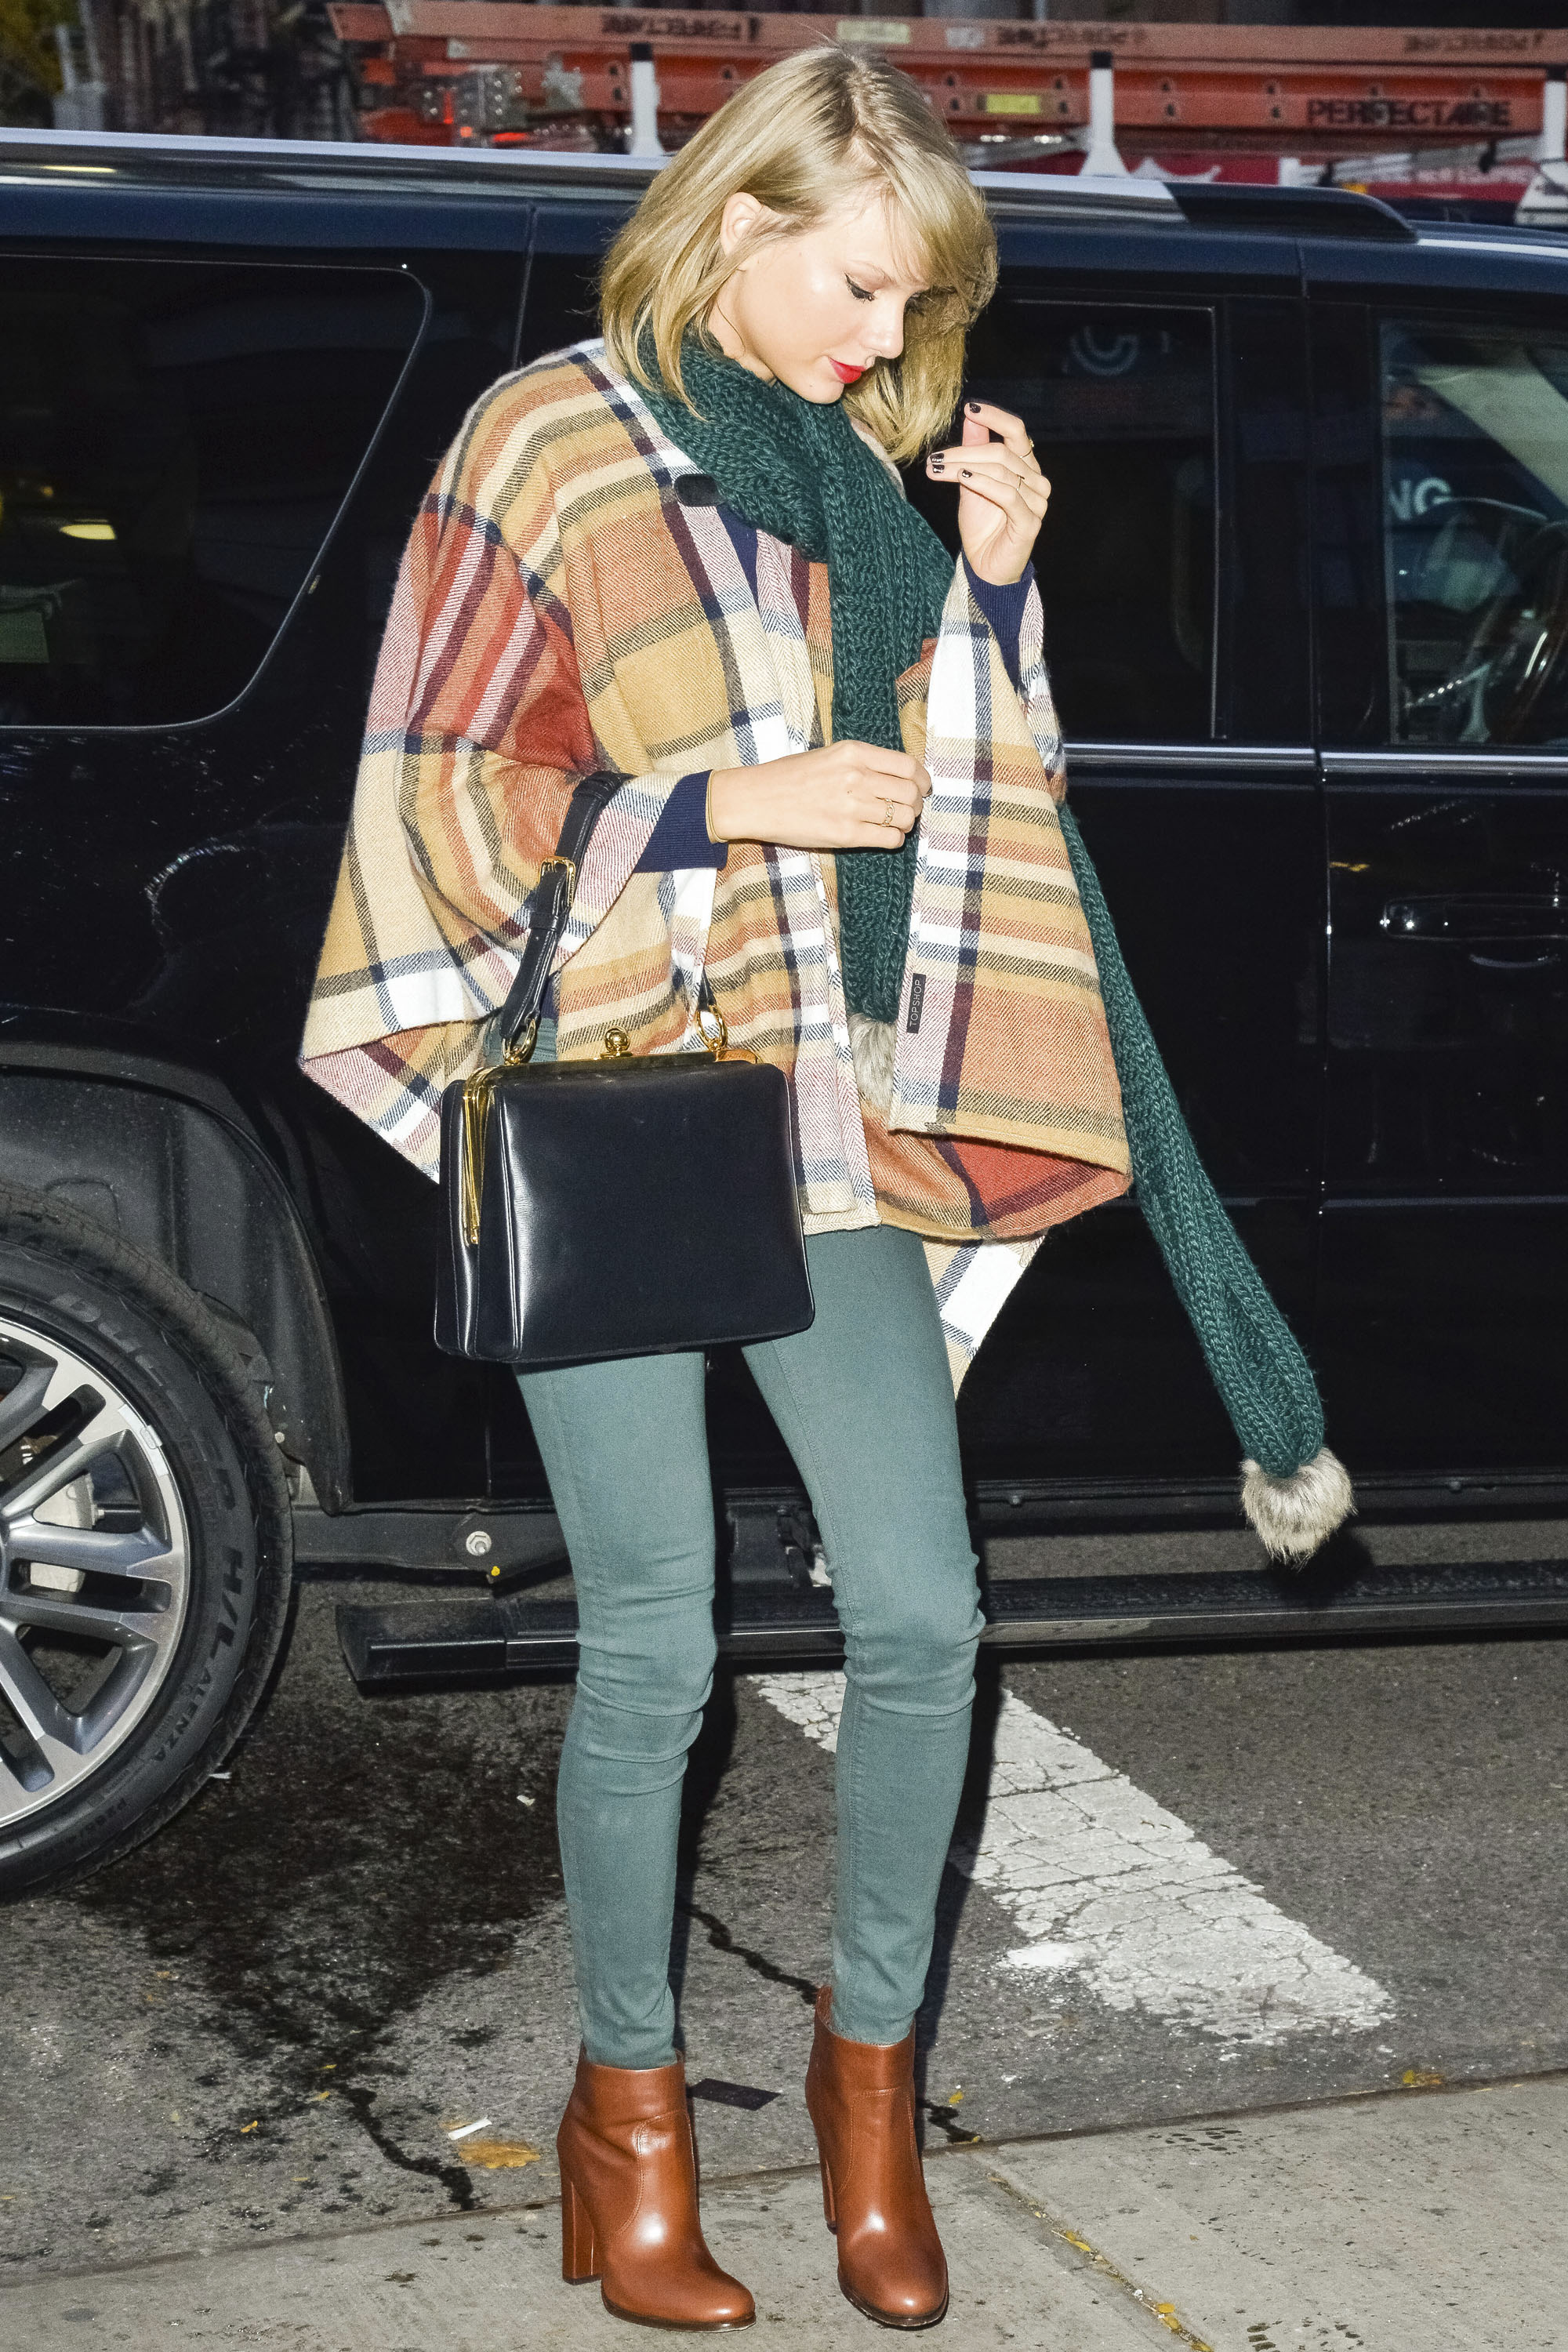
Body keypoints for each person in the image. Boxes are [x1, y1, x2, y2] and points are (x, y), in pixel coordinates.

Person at [302, 42, 1349, 2333]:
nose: (889, 344)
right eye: (863, 287)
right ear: (744, 219)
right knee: (655, 1637)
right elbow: (435, 786)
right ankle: (629, 2124)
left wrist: (997, 594)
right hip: (617, 1114)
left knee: (928, 1617)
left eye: (915, 307)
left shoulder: (869, 490)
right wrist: (719, 808)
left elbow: (979, 808)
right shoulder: (546, 441)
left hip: (826, 1118)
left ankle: (870, 2101)